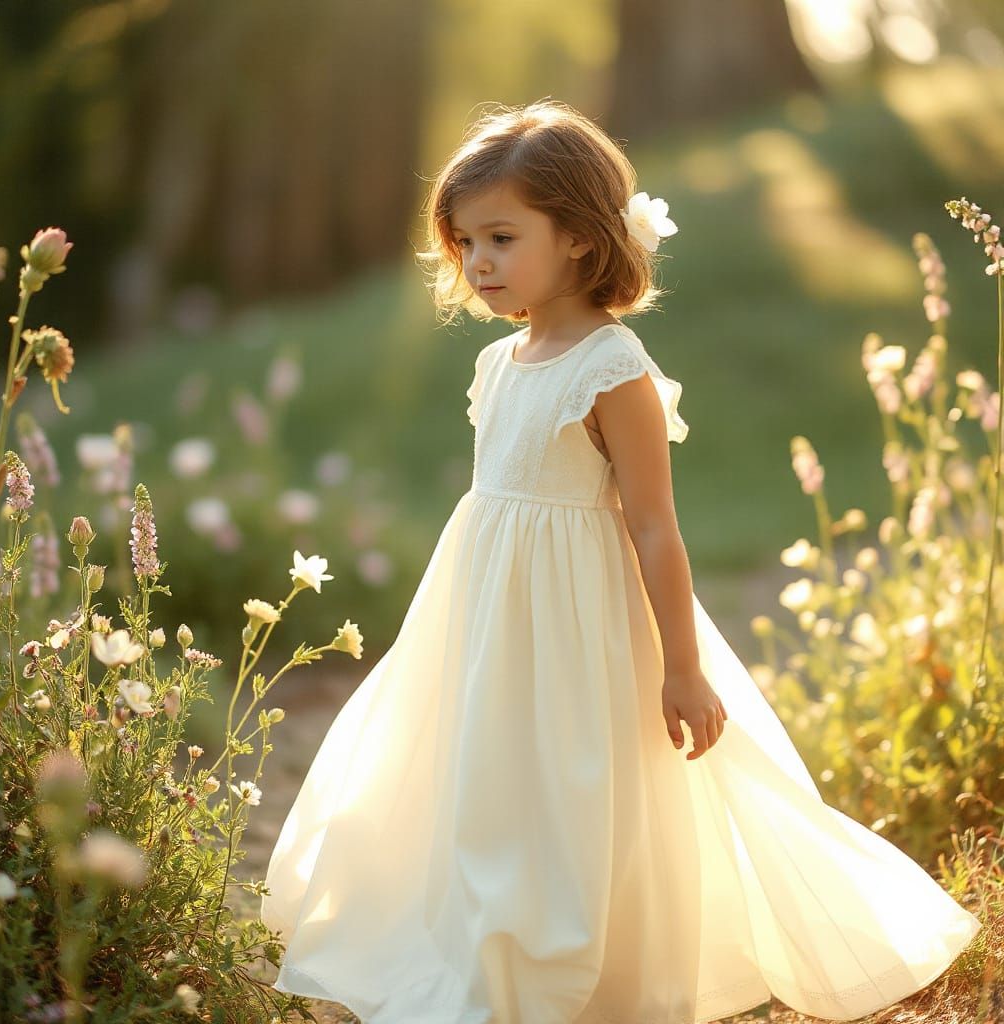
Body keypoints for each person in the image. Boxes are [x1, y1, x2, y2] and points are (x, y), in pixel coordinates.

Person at [260, 99, 981, 1024]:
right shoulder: (501, 362)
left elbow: (653, 527)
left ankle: (567, 962)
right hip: (488, 612)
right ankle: (485, 947)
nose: (478, 263)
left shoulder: (614, 367)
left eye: (502, 237)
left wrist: (682, 667)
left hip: (578, 623)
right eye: (466, 242)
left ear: (580, 239)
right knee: (485, 774)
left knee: (574, 784)